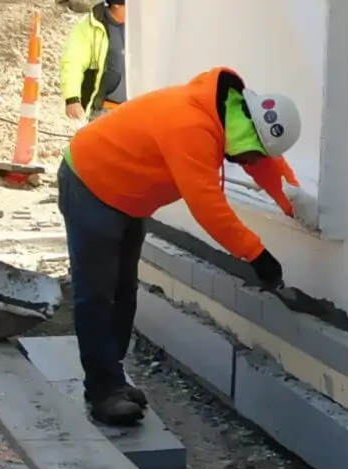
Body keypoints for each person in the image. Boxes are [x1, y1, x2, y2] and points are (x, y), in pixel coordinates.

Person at [58, 66, 302, 426]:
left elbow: (264, 163)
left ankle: (113, 377)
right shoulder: (191, 127)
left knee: (124, 290)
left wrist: (293, 204)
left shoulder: (234, 113)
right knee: (96, 293)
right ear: (246, 133)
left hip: (127, 196)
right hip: (90, 184)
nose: (249, 164)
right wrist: (259, 256)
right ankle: (102, 389)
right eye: (250, 155)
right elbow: (209, 207)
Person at [60, 0, 128, 121]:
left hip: (139, 109)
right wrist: (72, 98)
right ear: (117, 4)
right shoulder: (89, 27)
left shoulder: (144, 27)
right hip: (104, 110)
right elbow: (73, 62)